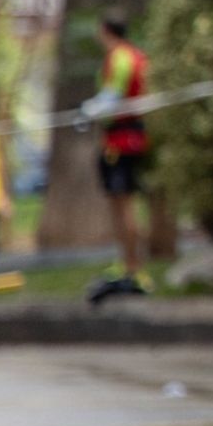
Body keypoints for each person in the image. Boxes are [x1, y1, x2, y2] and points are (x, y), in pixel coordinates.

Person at [80, 16, 151, 300]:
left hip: (121, 139)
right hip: (124, 136)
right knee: (121, 204)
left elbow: (114, 95)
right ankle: (128, 264)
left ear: (105, 31)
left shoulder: (121, 56)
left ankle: (132, 267)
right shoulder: (134, 55)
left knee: (123, 205)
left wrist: (91, 109)